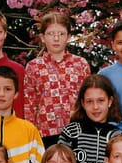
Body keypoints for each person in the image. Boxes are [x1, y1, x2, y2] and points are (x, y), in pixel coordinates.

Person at [23, 12, 90, 142]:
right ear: (42, 37)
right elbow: (29, 105)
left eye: (61, 34)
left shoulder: (81, 64)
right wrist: (30, 135)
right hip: (45, 132)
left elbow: (87, 99)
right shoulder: (33, 66)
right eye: (50, 34)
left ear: (68, 37)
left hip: (77, 132)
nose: (56, 38)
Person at [58, 74, 122, 163]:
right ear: (83, 103)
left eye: (101, 101)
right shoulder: (71, 133)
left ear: (110, 101)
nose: (95, 107)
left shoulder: (117, 137)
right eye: (89, 101)